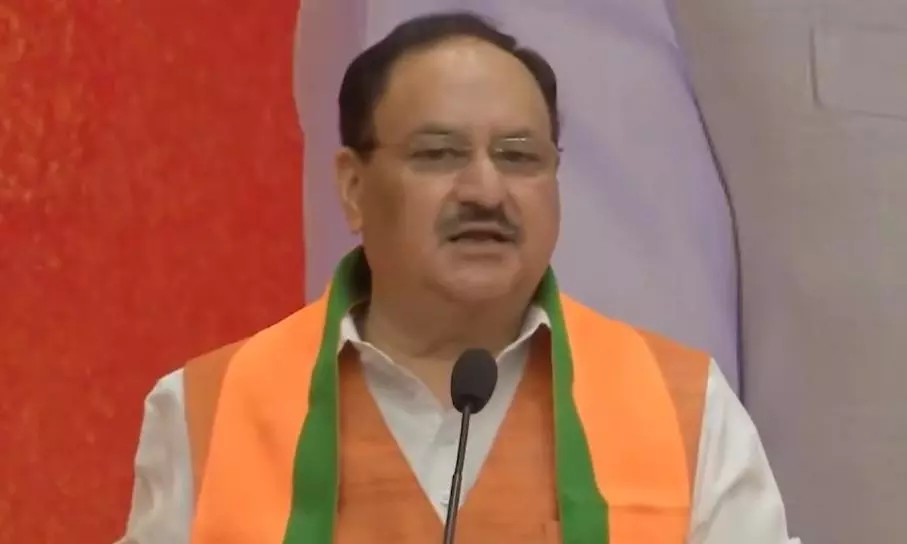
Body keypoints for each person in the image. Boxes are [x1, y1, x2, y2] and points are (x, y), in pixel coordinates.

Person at [118, 11, 800, 544]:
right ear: (353, 188)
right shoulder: (212, 411)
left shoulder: (681, 408)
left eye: (518, 157)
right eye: (439, 154)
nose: (484, 190)